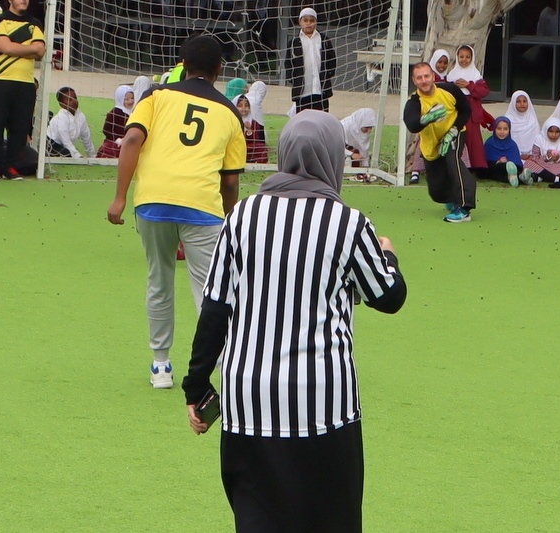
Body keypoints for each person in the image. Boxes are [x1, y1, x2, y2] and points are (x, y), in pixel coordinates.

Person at [181, 110, 407, 532]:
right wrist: (388, 254)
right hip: (323, 402)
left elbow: (215, 308)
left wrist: (196, 386)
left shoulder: (241, 217)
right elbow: (389, 297)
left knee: (257, 517)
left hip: (249, 398)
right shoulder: (349, 223)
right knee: (329, 520)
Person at [106, 36, 245, 389]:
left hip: (153, 201)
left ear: (181, 63)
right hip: (203, 205)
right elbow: (230, 181)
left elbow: (133, 140)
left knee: (159, 280)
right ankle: (222, 365)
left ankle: (160, 365)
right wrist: (232, 219)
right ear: (220, 69)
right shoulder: (230, 113)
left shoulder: (155, 96)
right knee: (209, 290)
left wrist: (120, 197)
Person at [403, 61, 476, 223]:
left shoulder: (449, 90)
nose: (424, 80)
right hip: (431, 146)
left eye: (427, 76)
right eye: (419, 78)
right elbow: (412, 124)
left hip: (453, 134)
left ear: (433, 76)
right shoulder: (414, 102)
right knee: (437, 192)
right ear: (414, 81)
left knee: (453, 160)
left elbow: (465, 110)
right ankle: (451, 198)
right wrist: (427, 118)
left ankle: (464, 208)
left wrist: (454, 130)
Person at [0, 0, 46, 181]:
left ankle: (9, 167)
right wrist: (25, 49)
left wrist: (11, 48)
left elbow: (40, 51)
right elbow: (4, 46)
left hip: (25, 83)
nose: (24, 0)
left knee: (19, 128)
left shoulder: (35, 23)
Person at [446, 44, 493, 171]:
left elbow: (483, 92)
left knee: (473, 140)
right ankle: (456, 165)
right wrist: (454, 87)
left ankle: (477, 167)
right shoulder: (452, 74)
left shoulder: (475, 74)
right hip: (456, 111)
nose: (464, 59)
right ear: (457, 57)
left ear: (472, 58)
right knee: (456, 138)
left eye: (467, 57)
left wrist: (468, 85)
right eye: (461, 56)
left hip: (471, 113)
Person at [411, 48, 453, 184]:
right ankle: (416, 170)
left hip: (445, 121)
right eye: (439, 62)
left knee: (448, 144)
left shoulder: (450, 80)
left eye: (444, 63)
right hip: (428, 120)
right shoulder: (427, 79)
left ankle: (448, 172)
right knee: (422, 144)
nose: (441, 65)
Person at [285, 7, 336, 113]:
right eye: (305, 20)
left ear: (316, 22)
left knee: (321, 119)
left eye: (312, 20)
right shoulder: (294, 42)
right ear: (300, 22)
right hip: (302, 90)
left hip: (320, 89)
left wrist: (327, 75)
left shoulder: (324, 39)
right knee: (303, 119)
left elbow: (332, 60)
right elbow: (288, 63)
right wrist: (293, 79)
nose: (308, 23)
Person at [522, 117, 560, 189]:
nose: (554, 134)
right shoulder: (539, 139)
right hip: (543, 165)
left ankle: (540, 178)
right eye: (551, 131)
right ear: (546, 130)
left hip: (559, 167)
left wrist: (557, 159)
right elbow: (535, 156)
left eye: (557, 132)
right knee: (529, 163)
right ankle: (557, 179)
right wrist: (546, 157)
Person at [46, 87, 96, 159]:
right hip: (51, 143)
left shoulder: (81, 116)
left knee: (67, 151)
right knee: (66, 153)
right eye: (69, 100)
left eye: (75, 98)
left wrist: (92, 155)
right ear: (61, 104)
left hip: (63, 144)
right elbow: (66, 142)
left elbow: (86, 137)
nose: (74, 101)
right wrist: (78, 156)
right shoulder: (60, 120)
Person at [482, 116, 524, 187]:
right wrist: (498, 162)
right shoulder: (490, 143)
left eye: (505, 129)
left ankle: (520, 177)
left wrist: (509, 163)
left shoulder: (512, 144)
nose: (502, 132)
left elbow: (518, 163)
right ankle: (521, 178)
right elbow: (486, 162)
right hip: (496, 168)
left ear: (509, 130)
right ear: (494, 129)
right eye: (499, 129)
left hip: (511, 168)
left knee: (515, 169)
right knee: (489, 171)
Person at [96, 85, 134, 158]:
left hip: (128, 141)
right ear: (120, 99)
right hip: (114, 143)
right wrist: (117, 139)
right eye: (126, 99)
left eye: (132, 98)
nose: (130, 101)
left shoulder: (132, 112)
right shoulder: (115, 113)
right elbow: (106, 129)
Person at [505, 90, 541, 165]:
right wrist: (519, 154)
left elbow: (537, 139)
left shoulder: (532, 119)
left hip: (532, 155)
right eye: (518, 101)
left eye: (524, 101)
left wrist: (531, 154)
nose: (522, 104)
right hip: (514, 153)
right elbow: (507, 140)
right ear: (513, 103)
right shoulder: (508, 120)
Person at [341, 107, 376, 182]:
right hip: (332, 147)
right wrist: (351, 154)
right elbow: (334, 146)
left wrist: (365, 169)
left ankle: (358, 173)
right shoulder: (343, 127)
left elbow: (364, 149)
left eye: (371, 127)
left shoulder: (363, 130)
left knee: (357, 153)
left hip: (347, 147)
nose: (369, 130)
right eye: (367, 127)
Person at [232, 94, 267, 164]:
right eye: (240, 106)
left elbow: (255, 140)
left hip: (249, 147)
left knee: (261, 147)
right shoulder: (232, 120)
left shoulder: (254, 122)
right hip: (236, 146)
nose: (243, 108)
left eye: (246, 106)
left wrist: (249, 130)